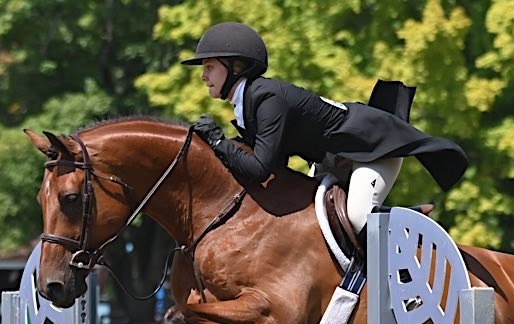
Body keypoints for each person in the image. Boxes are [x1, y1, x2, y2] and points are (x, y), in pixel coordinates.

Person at [182, 22, 468, 237]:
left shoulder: (266, 99)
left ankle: (409, 225)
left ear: (236, 66)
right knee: (311, 220)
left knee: (357, 218)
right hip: (332, 158)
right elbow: (271, 170)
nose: (203, 75)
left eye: (209, 66)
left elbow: (259, 168)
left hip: (372, 148)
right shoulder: (248, 103)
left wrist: (217, 141)